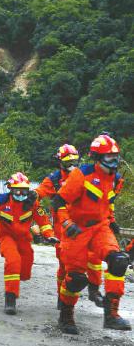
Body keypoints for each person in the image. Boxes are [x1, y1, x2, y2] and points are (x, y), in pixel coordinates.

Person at [52, 134, 131, 334]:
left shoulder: (116, 179)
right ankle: (66, 316)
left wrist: (112, 220)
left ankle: (111, 314)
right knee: (76, 278)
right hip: (76, 230)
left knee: (119, 261)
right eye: (110, 157)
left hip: (100, 228)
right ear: (98, 158)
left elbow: (107, 202)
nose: (114, 161)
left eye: (116, 157)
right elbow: (59, 201)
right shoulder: (81, 175)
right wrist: (66, 222)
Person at [0, 172, 56, 315]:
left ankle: (16, 278)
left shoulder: (32, 203)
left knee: (25, 269)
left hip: (24, 238)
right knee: (13, 261)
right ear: (10, 189)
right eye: (17, 191)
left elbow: (44, 222)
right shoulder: (0, 202)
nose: (21, 194)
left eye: (24, 191)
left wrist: (49, 236)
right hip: (6, 236)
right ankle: (10, 299)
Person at [36, 143, 105, 308]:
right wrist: (33, 200)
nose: (72, 166)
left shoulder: (85, 175)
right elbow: (38, 193)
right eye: (68, 163)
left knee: (94, 258)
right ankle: (62, 296)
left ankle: (94, 290)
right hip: (63, 229)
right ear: (60, 163)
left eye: (75, 162)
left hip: (84, 226)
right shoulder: (53, 179)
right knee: (65, 265)